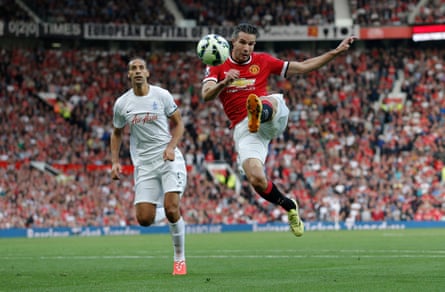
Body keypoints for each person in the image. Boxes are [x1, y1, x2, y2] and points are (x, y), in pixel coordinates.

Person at [201, 23, 356, 237]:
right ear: (232, 43)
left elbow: (302, 67)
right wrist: (224, 82)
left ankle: (259, 111)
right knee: (256, 179)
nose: (247, 48)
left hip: (272, 113)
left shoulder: (263, 60)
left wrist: (335, 52)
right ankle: (289, 205)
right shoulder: (218, 65)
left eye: (251, 44)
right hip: (245, 129)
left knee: (267, 101)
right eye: (243, 42)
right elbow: (206, 94)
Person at [110, 57, 188, 275]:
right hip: (144, 163)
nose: (137, 71)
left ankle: (179, 258)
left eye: (141, 68)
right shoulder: (122, 103)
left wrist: (172, 146)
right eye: (133, 68)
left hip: (167, 158)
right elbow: (116, 133)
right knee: (144, 219)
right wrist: (115, 162)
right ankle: (174, 216)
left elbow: (179, 124)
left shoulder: (161, 95)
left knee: (172, 208)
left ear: (147, 73)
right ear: (128, 74)